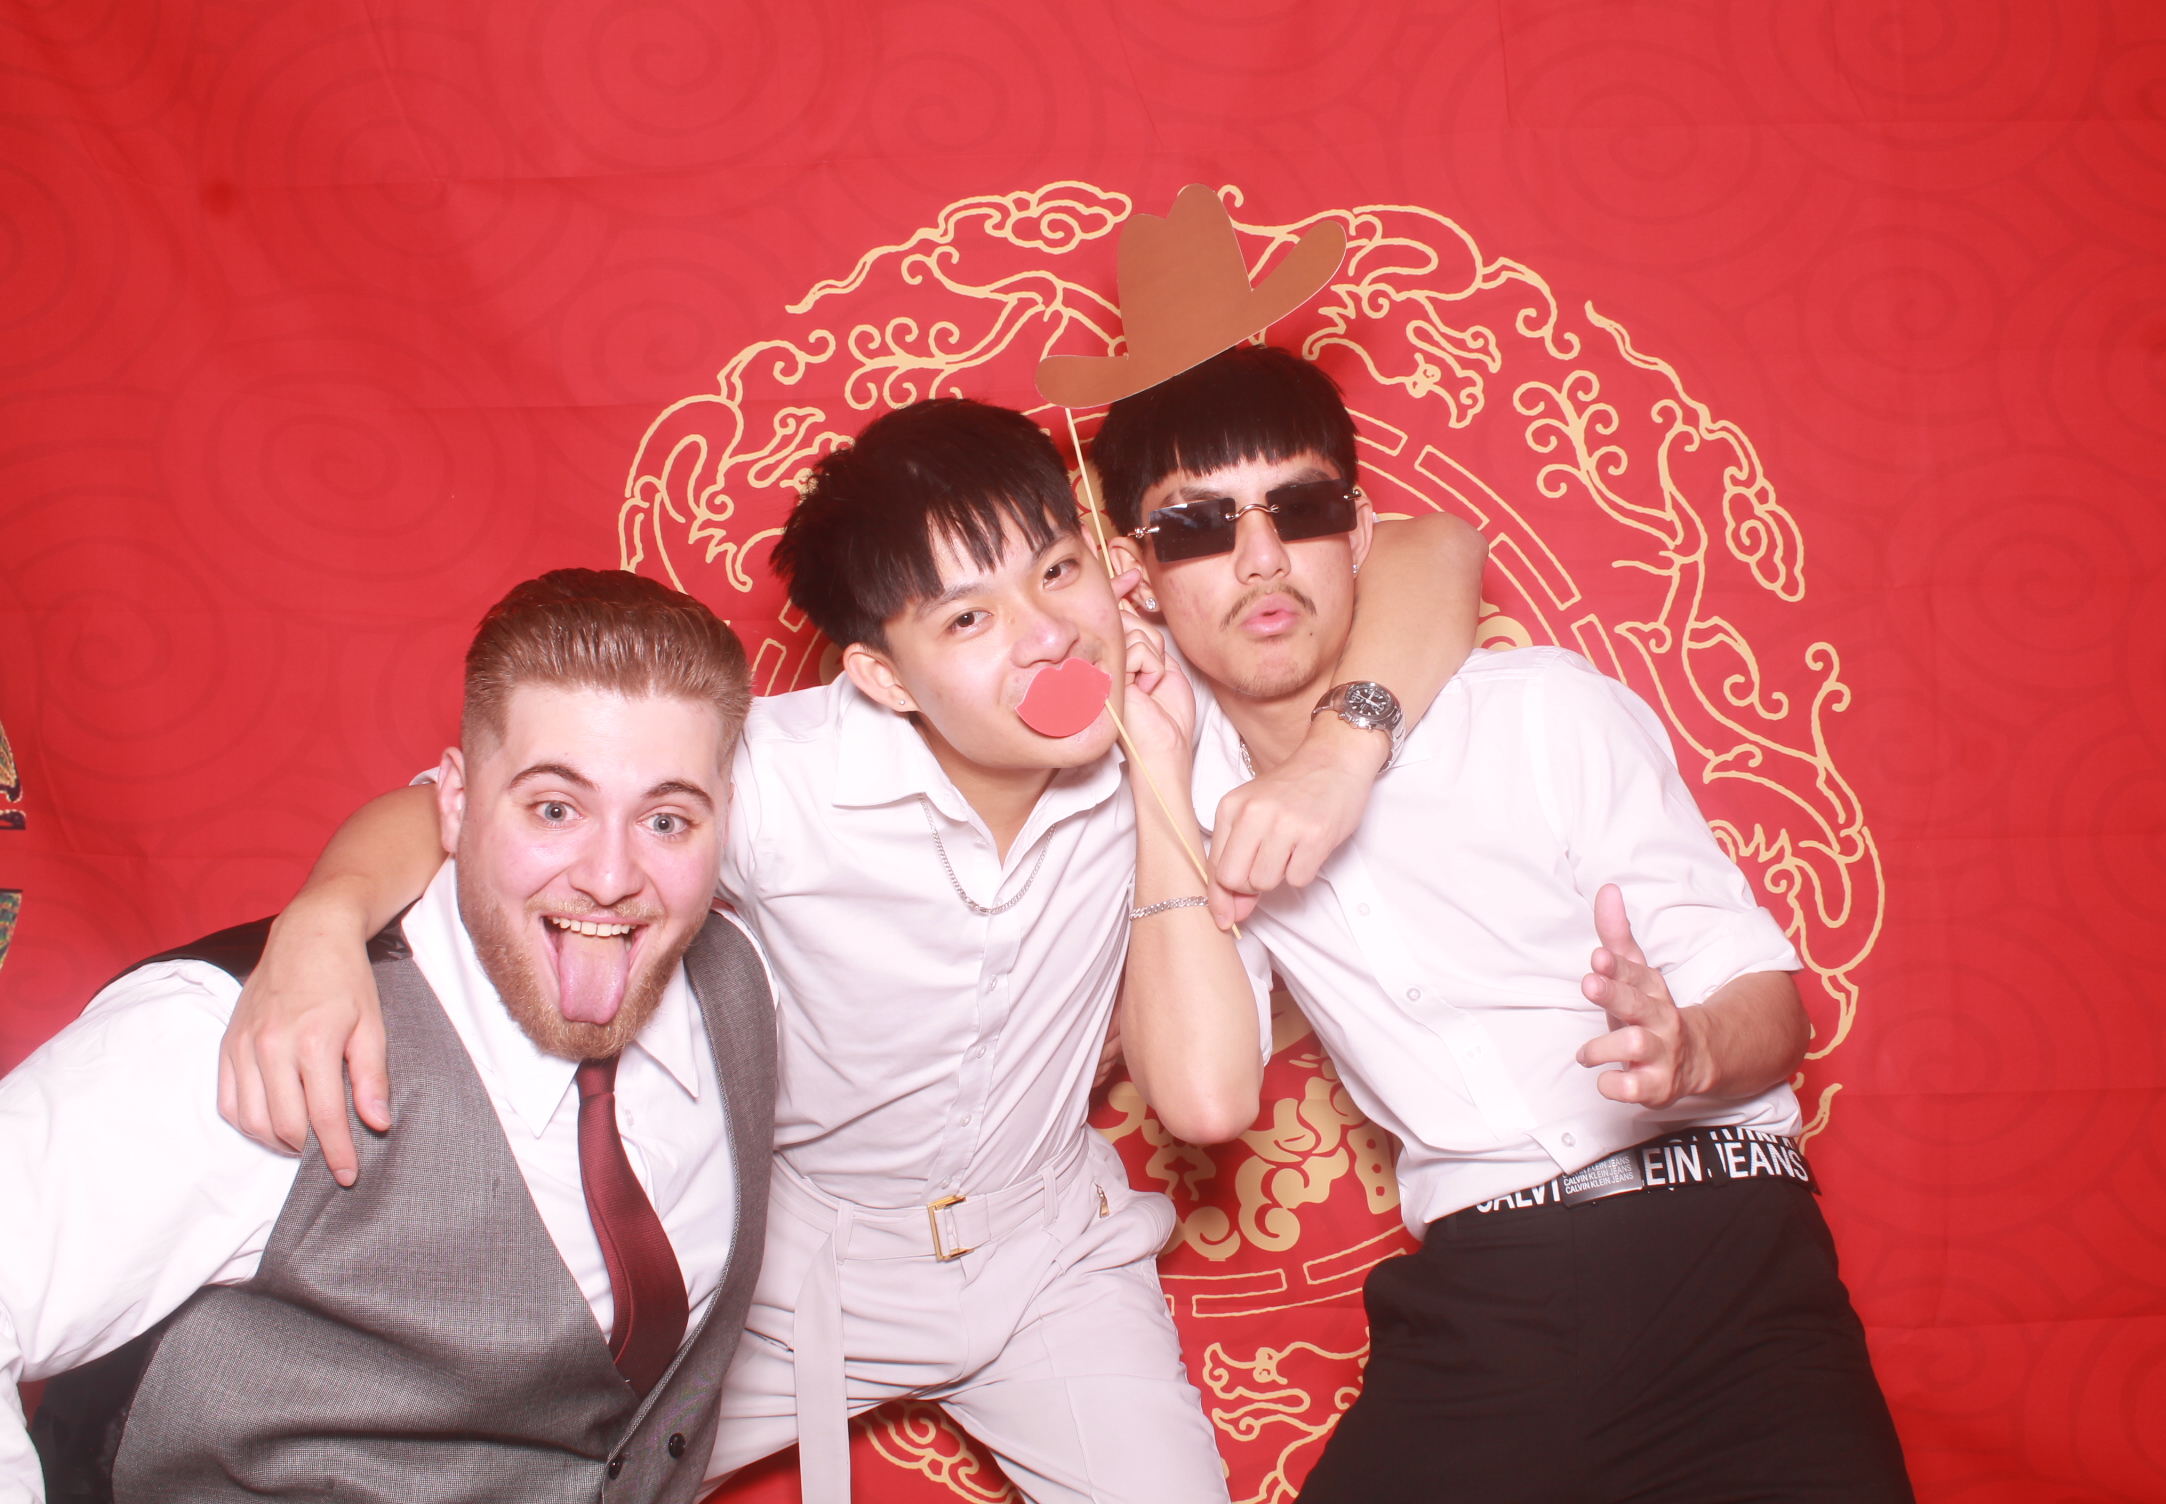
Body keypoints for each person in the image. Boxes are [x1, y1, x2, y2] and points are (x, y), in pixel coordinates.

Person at [214, 397, 1485, 1503]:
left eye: (1056, 571)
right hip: (794, 1264)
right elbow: (460, 812)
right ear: (882, 675)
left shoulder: (1164, 702)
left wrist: (1206, 774)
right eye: (969, 618)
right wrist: (321, 921)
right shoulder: (776, 776)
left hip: (1050, 1259)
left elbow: (1435, 551)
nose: (1048, 635)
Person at [1093, 345, 1917, 1503]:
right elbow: (1201, 1099)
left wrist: (1691, 1049)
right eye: (1198, 526)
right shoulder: (1192, 798)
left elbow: (1774, 1010)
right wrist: (1153, 766)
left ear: (1358, 530)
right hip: (1489, 1299)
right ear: (1135, 571)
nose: (1262, 557)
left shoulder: (1539, 712)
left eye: (1302, 508)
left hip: (1726, 1254)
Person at [1, 570, 779, 1503]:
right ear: (452, 801)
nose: (610, 877)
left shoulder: (738, 986)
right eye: (553, 809)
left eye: (665, 820)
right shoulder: (239, 1040)